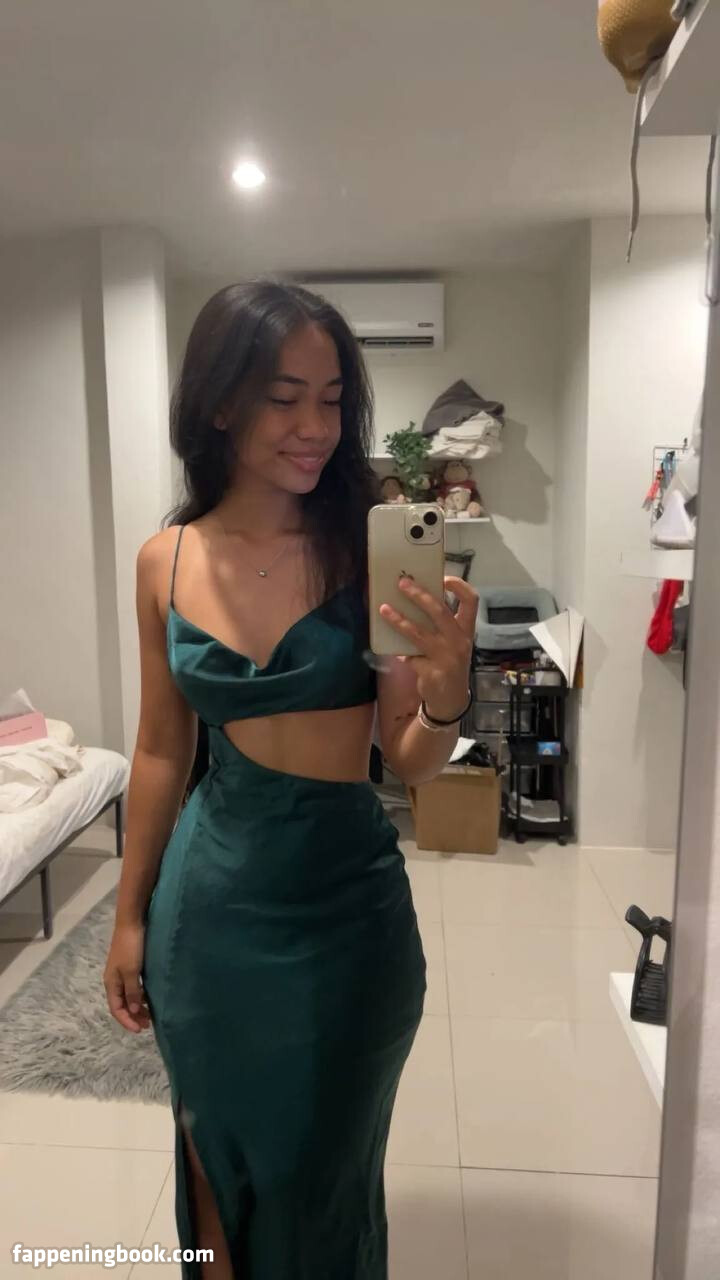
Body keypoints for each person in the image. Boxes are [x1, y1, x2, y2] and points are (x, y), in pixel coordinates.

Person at [103, 280, 478, 1280]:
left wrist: (448, 697)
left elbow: (408, 756)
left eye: (333, 400)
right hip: (209, 915)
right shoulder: (163, 561)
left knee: (326, 1180)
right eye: (284, 397)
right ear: (222, 403)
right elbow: (161, 749)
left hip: (347, 917)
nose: (316, 427)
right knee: (216, 1161)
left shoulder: (370, 548)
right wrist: (129, 915)